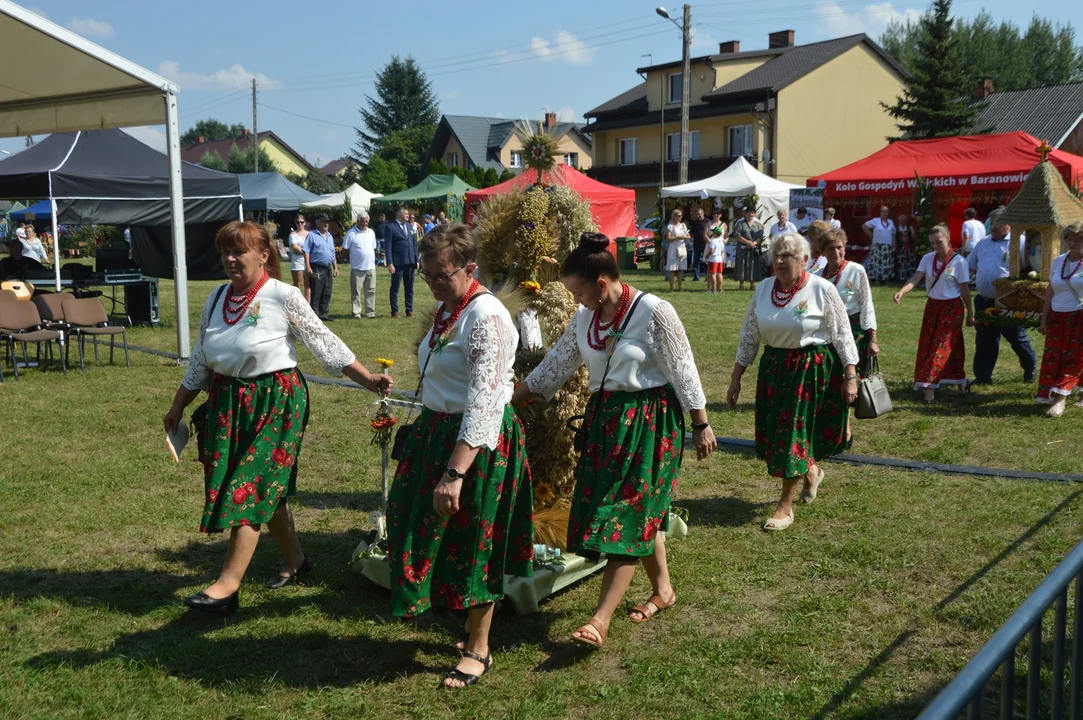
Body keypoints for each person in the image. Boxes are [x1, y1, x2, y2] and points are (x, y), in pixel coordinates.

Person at [163, 221, 392, 616]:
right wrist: (178, 404)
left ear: (264, 255)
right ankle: (297, 561)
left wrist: (368, 378)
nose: (231, 259)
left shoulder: (282, 295)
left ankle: (227, 586)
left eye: (240, 252)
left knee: (249, 485)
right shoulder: (217, 298)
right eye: (226, 252)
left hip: (276, 402)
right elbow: (202, 357)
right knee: (269, 487)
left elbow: (324, 342)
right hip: (229, 404)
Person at [512, 233, 715, 649]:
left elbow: (683, 369)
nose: (576, 300)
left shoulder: (654, 311)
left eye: (579, 291)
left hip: (651, 422)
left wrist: (701, 423)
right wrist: (514, 398)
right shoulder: (585, 318)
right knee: (642, 511)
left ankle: (599, 620)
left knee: (624, 516)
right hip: (606, 424)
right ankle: (664, 590)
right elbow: (556, 365)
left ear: (601, 282)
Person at [387, 223, 534, 689]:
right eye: (425, 275)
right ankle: (462, 622)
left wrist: (455, 471)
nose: (431, 284)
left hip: (476, 443)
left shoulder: (486, 315)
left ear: (470, 269)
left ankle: (479, 647)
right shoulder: (450, 309)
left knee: (476, 540)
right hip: (437, 432)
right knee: (420, 525)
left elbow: (486, 401)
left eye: (440, 275)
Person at [727, 233, 857, 531]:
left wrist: (850, 376)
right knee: (780, 433)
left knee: (792, 433)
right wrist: (736, 378)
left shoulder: (822, 289)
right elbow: (749, 335)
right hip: (774, 370)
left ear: (805, 260)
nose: (781, 261)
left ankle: (785, 506)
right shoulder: (763, 290)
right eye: (777, 255)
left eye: (788, 255)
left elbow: (842, 335)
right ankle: (810, 472)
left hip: (810, 371)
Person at [894, 225, 974, 403]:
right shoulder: (927, 258)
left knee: (942, 345)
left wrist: (970, 313)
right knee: (933, 345)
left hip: (952, 308)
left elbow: (965, 290)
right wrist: (902, 291)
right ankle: (961, 381)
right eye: (932, 243)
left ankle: (929, 387)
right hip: (932, 307)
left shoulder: (959, 261)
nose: (936, 246)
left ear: (948, 239)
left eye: (939, 242)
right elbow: (916, 277)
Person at [968, 209, 1036, 385]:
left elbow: (1030, 269)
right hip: (984, 299)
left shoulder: (1019, 242)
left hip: (1010, 301)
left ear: (1008, 224)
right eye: (990, 223)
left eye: (996, 223)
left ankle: (1030, 368)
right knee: (985, 340)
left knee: (1017, 338)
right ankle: (983, 377)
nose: (992, 227)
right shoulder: (982, 243)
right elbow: (971, 265)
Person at [814, 228, 878, 375]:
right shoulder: (816, 276)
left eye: (839, 247)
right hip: (826, 333)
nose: (836, 252)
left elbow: (866, 305)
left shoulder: (856, 270)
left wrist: (873, 340)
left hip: (853, 332)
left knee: (852, 376)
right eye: (831, 248)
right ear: (823, 252)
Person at [1037, 222, 1083, 416]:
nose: (1072, 243)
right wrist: (1044, 318)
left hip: (1079, 315)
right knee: (1053, 356)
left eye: (1078, 240)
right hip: (1057, 316)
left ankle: (1060, 400)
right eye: (1069, 239)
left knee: (1073, 358)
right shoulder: (1058, 261)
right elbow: (1050, 289)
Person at [342, 212, 378, 319]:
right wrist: (353, 259)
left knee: (371, 290)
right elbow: (344, 250)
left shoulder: (371, 232)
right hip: (357, 267)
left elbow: (373, 247)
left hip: (371, 267)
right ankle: (356, 312)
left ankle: (370, 312)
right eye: (362, 222)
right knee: (356, 291)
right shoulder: (351, 233)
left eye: (366, 222)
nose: (365, 224)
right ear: (357, 221)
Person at [384, 206, 418, 318]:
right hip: (397, 262)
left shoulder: (409, 226)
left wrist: (416, 259)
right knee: (395, 287)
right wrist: (390, 262)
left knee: (409, 288)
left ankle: (409, 310)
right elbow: (388, 246)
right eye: (406, 214)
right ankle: (395, 311)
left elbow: (414, 244)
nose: (408, 216)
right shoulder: (390, 227)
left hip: (410, 261)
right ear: (399, 215)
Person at [303, 213, 338, 322]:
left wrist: (335, 267)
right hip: (316, 267)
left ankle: (324, 313)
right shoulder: (312, 235)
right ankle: (314, 314)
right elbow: (306, 251)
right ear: (318, 222)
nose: (326, 224)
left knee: (327, 291)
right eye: (324, 221)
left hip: (328, 267)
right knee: (316, 291)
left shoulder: (330, 236)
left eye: (327, 221)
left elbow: (332, 253)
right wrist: (308, 266)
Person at [733, 207, 767, 290]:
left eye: (752, 213)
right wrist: (747, 242)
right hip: (742, 248)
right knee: (742, 265)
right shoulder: (740, 223)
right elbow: (737, 235)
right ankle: (741, 285)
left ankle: (752, 284)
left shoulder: (758, 224)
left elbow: (760, 236)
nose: (751, 214)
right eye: (749, 213)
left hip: (753, 249)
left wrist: (754, 243)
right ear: (745, 213)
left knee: (753, 266)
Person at [863, 205, 896, 282]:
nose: (885, 213)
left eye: (886, 212)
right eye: (883, 211)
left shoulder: (891, 222)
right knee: (876, 262)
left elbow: (893, 234)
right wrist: (871, 235)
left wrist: (894, 245)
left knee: (886, 263)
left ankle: (886, 278)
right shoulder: (875, 220)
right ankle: (876, 279)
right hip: (877, 245)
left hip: (887, 246)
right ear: (880, 212)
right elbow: (864, 226)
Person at [664, 208, 691, 292]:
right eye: (679, 216)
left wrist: (684, 237)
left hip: (681, 246)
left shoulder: (683, 225)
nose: (680, 217)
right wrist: (677, 237)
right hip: (673, 247)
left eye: (681, 216)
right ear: (674, 217)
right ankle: (671, 287)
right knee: (672, 269)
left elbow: (689, 236)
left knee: (680, 269)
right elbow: (668, 238)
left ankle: (680, 287)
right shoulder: (670, 226)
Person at [288, 214, 310, 303]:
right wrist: (307, 251)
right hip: (297, 261)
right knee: (297, 284)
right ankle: (297, 304)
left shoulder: (310, 234)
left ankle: (308, 305)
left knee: (308, 285)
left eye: (302, 222)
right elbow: (295, 247)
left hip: (308, 261)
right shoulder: (293, 235)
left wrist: (304, 251)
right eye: (298, 222)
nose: (300, 224)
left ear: (305, 223)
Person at [689, 207, 710, 282]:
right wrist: (691, 238)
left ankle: (708, 277)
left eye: (699, 214)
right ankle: (696, 277)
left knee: (707, 261)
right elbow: (691, 232)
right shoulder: (694, 223)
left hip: (705, 244)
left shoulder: (707, 222)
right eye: (697, 214)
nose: (698, 216)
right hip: (696, 244)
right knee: (696, 262)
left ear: (703, 213)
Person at [705, 223, 726, 293]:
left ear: (715, 233)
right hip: (720, 259)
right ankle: (720, 288)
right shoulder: (721, 241)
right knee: (720, 273)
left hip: (713, 259)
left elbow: (712, 251)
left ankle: (713, 289)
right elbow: (722, 250)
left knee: (713, 274)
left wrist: (707, 255)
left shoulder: (712, 241)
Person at [896, 214, 918, 280]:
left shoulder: (910, 228)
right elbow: (895, 239)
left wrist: (915, 245)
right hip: (901, 248)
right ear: (898, 221)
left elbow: (914, 237)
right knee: (901, 263)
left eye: (903, 220)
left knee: (910, 262)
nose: (902, 221)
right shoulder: (896, 229)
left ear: (906, 221)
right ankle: (902, 278)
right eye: (900, 220)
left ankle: (911, 277)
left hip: (910, 248)